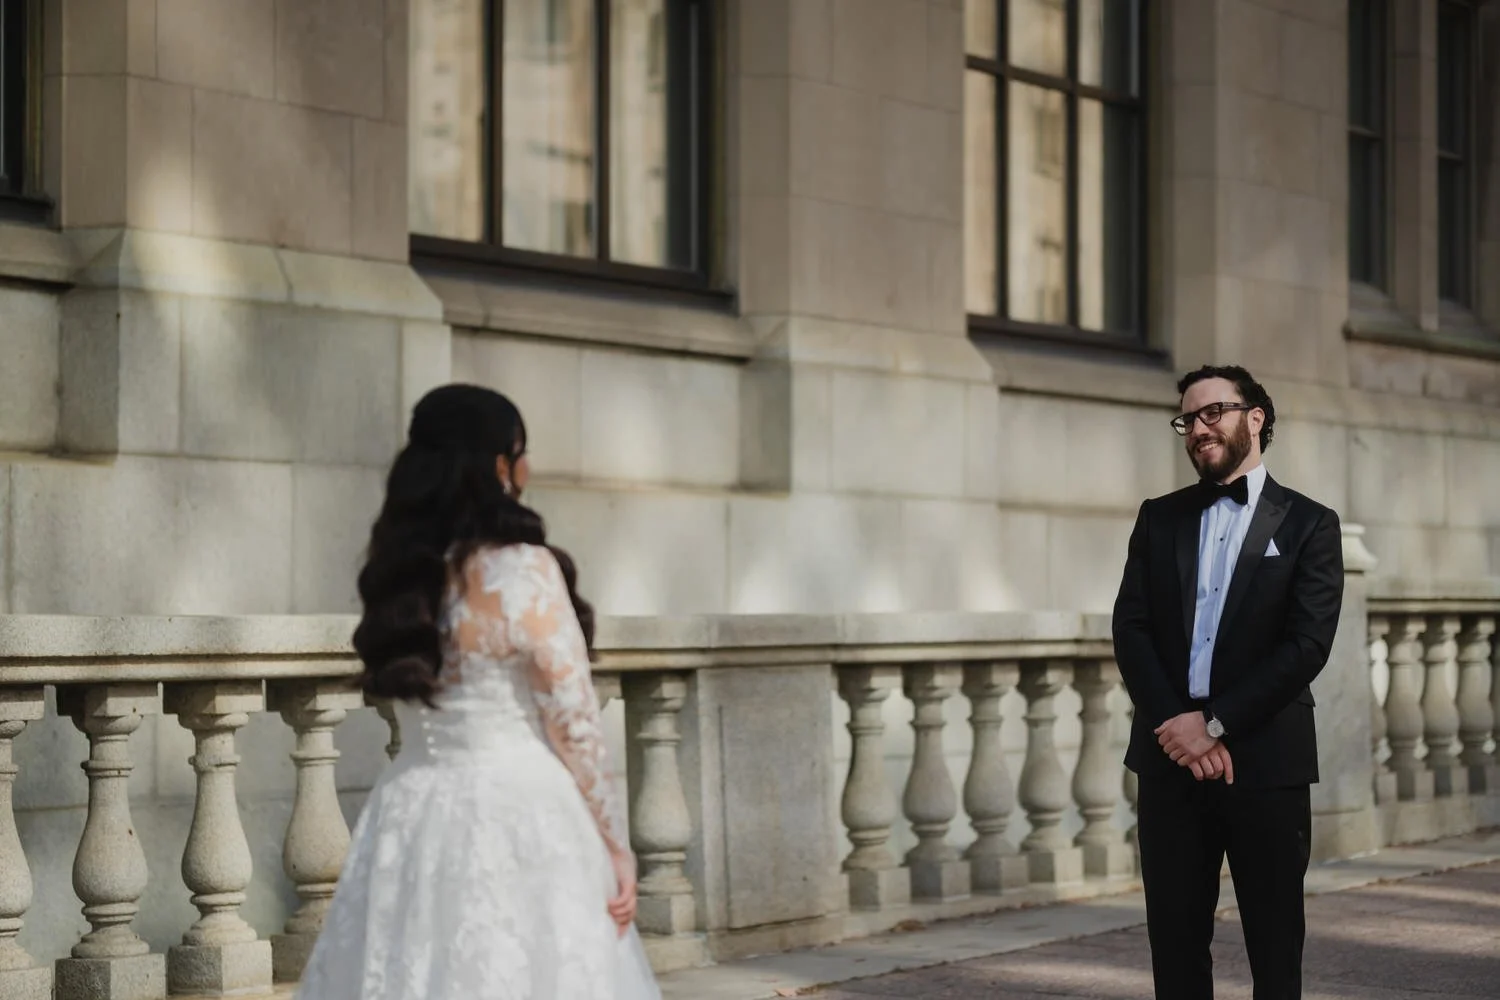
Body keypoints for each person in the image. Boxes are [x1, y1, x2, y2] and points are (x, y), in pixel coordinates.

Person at [297, 384, 661, 1000]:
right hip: (518, 813)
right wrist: (615, 846)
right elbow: (573, 721)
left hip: (410, 811)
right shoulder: (522, 569)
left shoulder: (401, 572)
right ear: (500, 466)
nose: (529, 468)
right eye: (522, 452)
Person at [1112, 365, 1344, 1000]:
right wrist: (1178, 728)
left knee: (1274, 948)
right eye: (1188, 420)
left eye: (1212, 412)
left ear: (1256, 418)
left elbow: (1306, 645)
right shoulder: (1158, 518)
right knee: (1176, 945)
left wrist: (1212, 724)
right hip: (1170, 763)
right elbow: (1130, 628)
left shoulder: (1310, 525)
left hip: (1266, 763)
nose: (1197, 429)